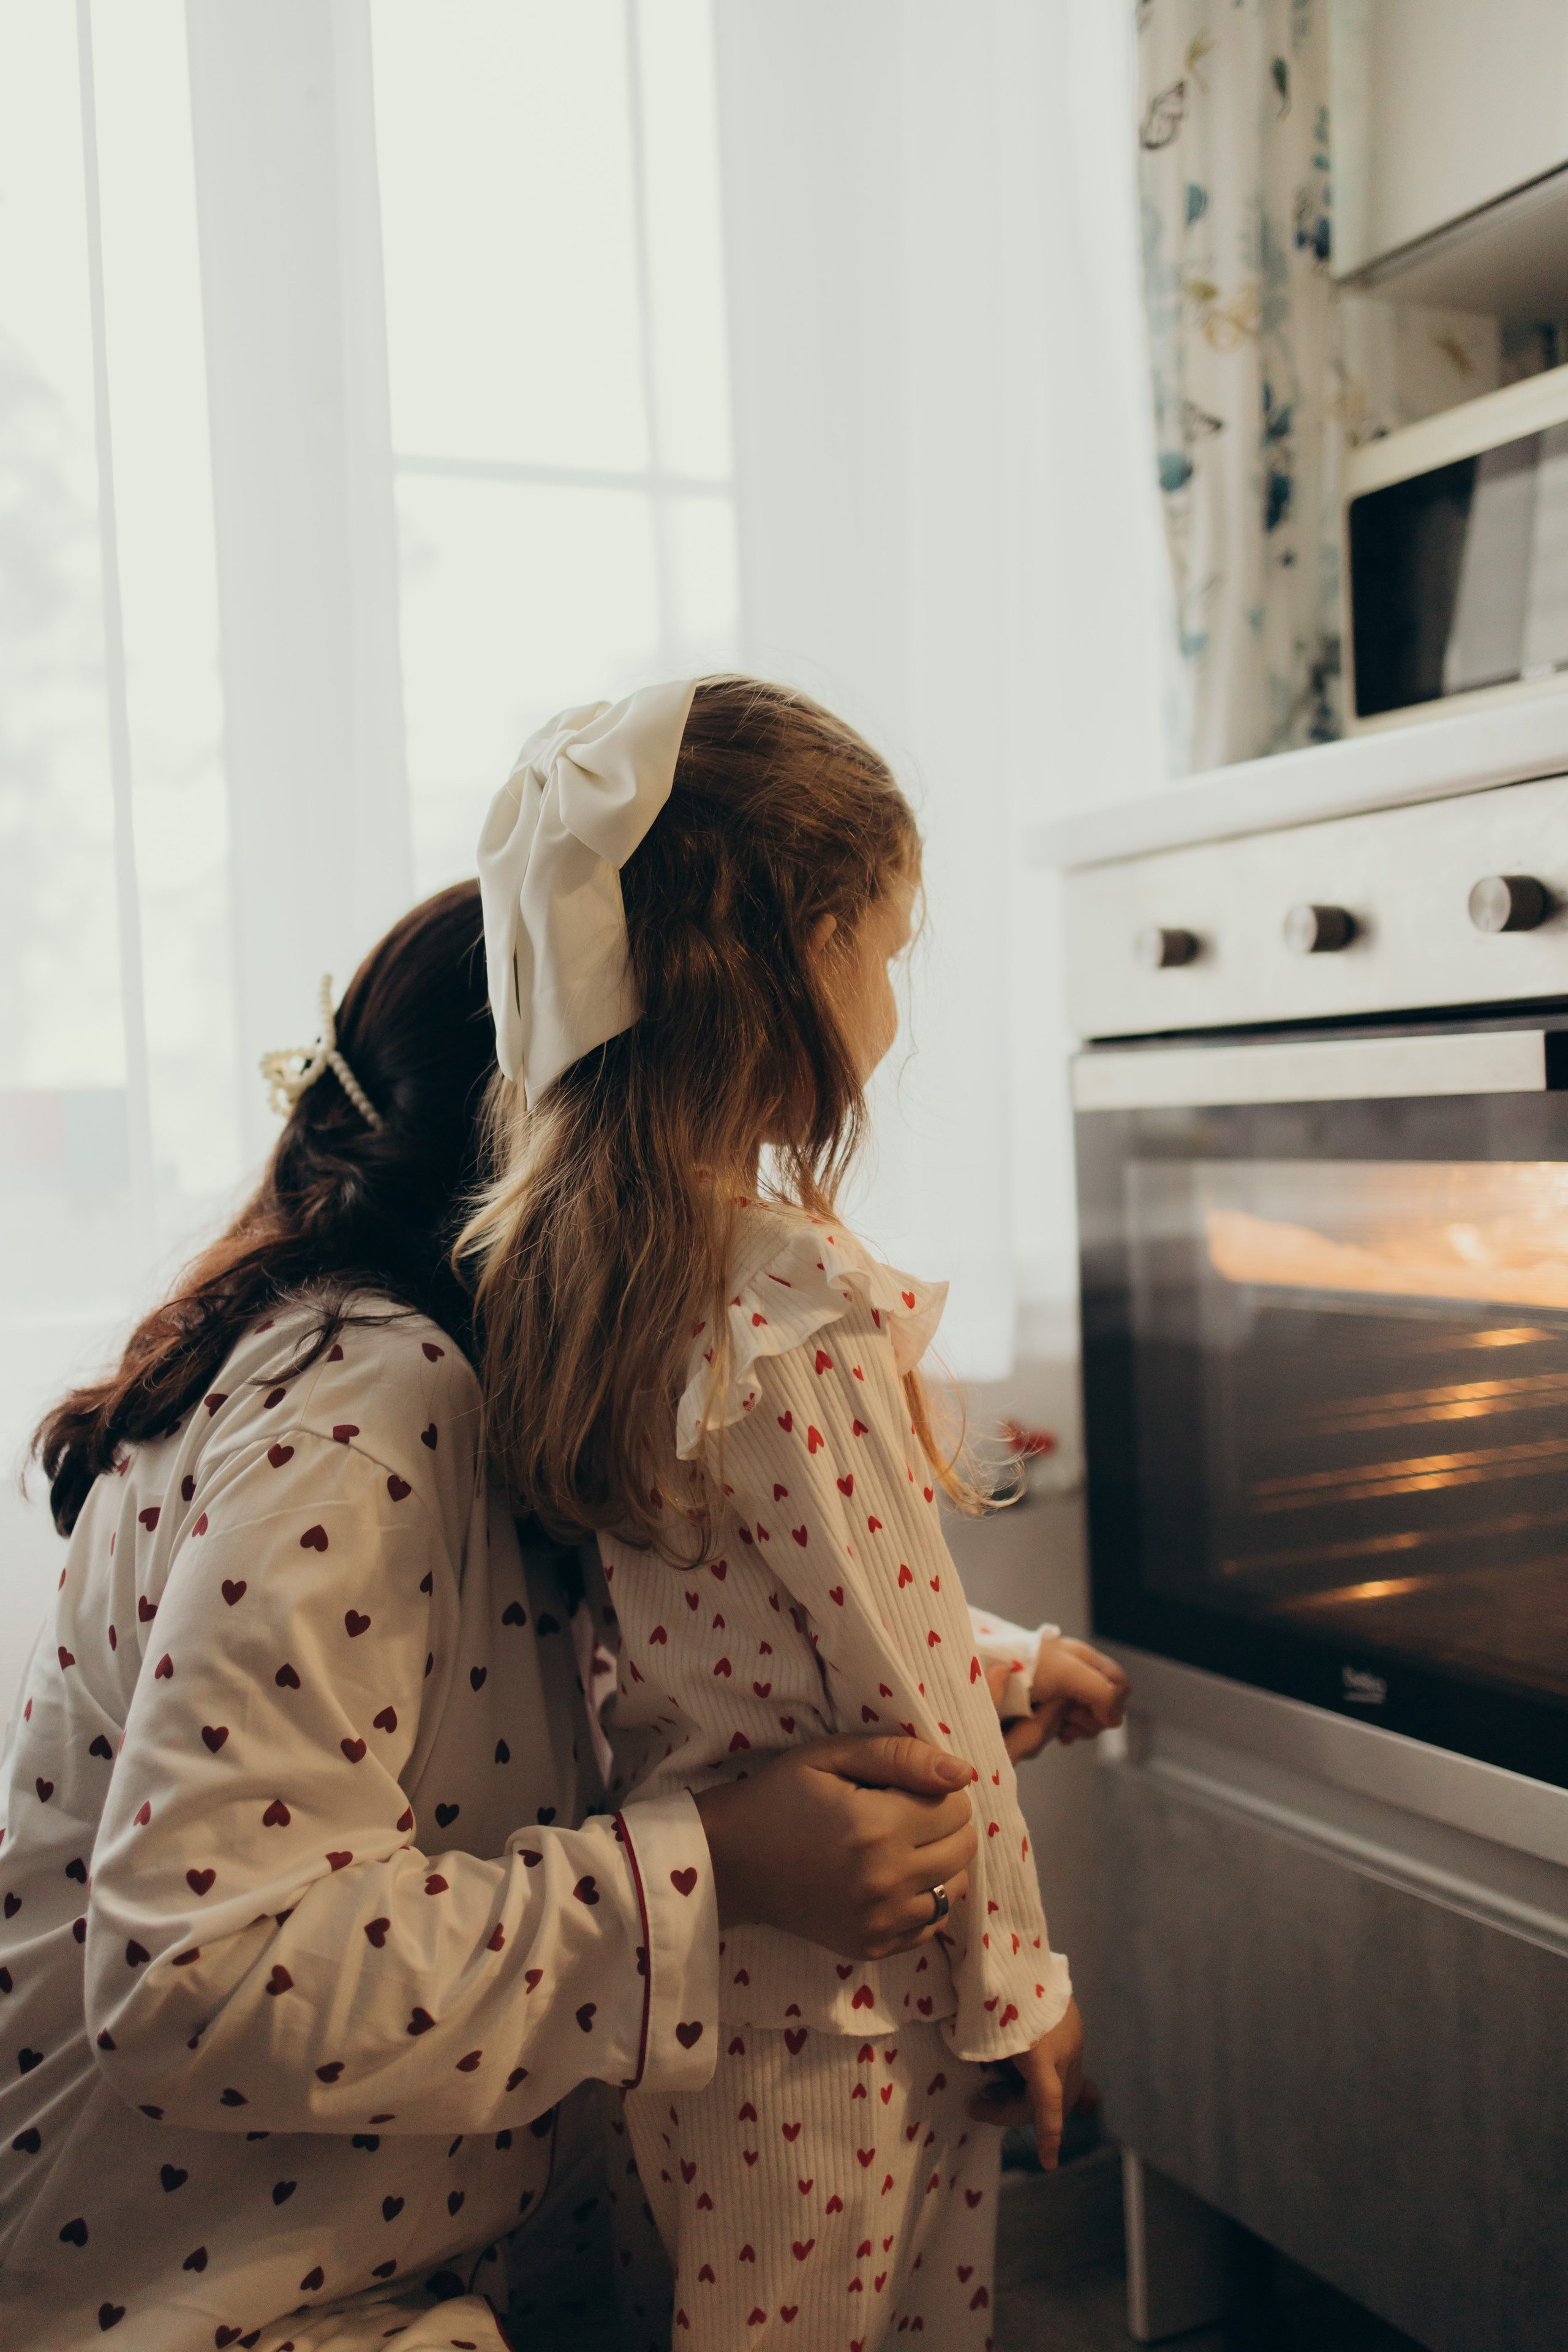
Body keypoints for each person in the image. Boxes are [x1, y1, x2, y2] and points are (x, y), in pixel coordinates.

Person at [0, 879, 1094, 2352]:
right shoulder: (361, 1414)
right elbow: (202, 1979)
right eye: (714, 1158)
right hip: (188, 2299)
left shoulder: (495, 1390)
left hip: (430, 2258)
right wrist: (710, 1874)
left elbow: (592, 1640)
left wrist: (968, 1670)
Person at [466, 676, 1128, 2350]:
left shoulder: (611, 1278)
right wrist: (1024, 1997)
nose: (894, 1001)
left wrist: (1012, 1653)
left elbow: (774, 1626)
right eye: (890, 954)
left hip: (708, 1973)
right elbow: (898, 1684)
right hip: (854, 2000)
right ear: (810, 948)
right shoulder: (779, 1312)